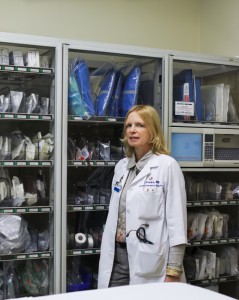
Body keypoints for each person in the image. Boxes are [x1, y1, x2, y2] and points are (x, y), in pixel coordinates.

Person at [98, 105, 187, 288]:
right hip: (116, 258)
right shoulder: (121, 167)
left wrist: (173, 270)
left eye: (140, 125)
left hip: (151, 261)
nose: (132, 130)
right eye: (129, 125)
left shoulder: (167, 166)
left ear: (152, 130)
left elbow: (177, 224)